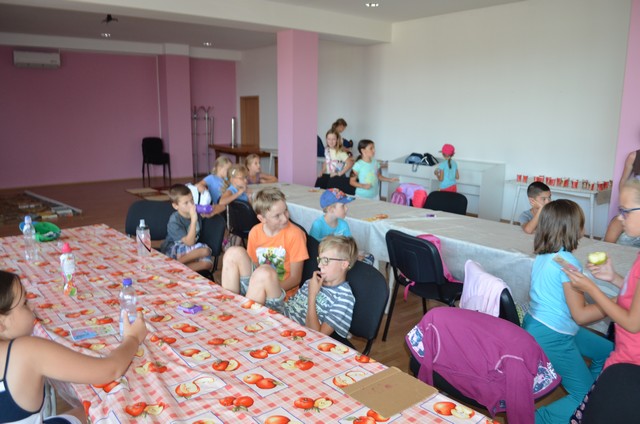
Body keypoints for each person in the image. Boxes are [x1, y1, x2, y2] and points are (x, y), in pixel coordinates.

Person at [0, 270, 147, 424]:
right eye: (24, 303)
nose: (32, 306)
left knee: (84, 411)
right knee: (105, 408)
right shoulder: (27, 351)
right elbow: (111, 370)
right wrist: (133, 338)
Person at [522, 199, 613, 424]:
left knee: (607, 352)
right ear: (574, 228)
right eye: (582, 223)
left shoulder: (546, 254)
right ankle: (536, 420)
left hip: (542, 326)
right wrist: (612, 303)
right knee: (583, 397)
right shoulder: (568, 263)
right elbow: (581, 315)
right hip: (552, 334)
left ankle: (587, 395)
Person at [564, 179, 640, 370]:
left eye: (625, 211)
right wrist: (614, 278)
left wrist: (592, 289)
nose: (620, 218)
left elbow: (632, 324)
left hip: (632, 358)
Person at [238, 235, 357, 338]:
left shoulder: (344, 297)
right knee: (264, 271)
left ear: (344, 264)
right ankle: (243, 329)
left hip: (295, 334)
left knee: (264, 273)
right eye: (320, 260)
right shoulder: (313, 281)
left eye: (326, 260)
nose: (320, 265)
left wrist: (312, 295)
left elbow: (317, 336)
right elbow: (290, 306)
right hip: (280, 318)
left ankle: (244, 331)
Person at [221, 187, 309, 301]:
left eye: (286, 210)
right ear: (262, 219)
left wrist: (264, 288)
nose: (285, 218)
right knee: (232, 252)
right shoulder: (255, 232)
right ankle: (230, 303)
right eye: (277, 215)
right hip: (258, 285)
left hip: (281, 294)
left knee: (264, 272)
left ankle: (247, 307)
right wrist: (256, 288)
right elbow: (254, 264)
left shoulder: (295, 234)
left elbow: (295, 278)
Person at [161, 184, 213, 273]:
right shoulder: (175, 220)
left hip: (189, 250)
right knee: (205, 250)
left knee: (207, 264)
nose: (191, 205)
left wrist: (209, 213)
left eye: (192, 200)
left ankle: (174, 269)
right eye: (186, 203)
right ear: (175, 206)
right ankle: (175, 264)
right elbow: (189, 243)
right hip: (172, 249)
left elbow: (215, 208)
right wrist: (193, 220)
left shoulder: (196, 213)